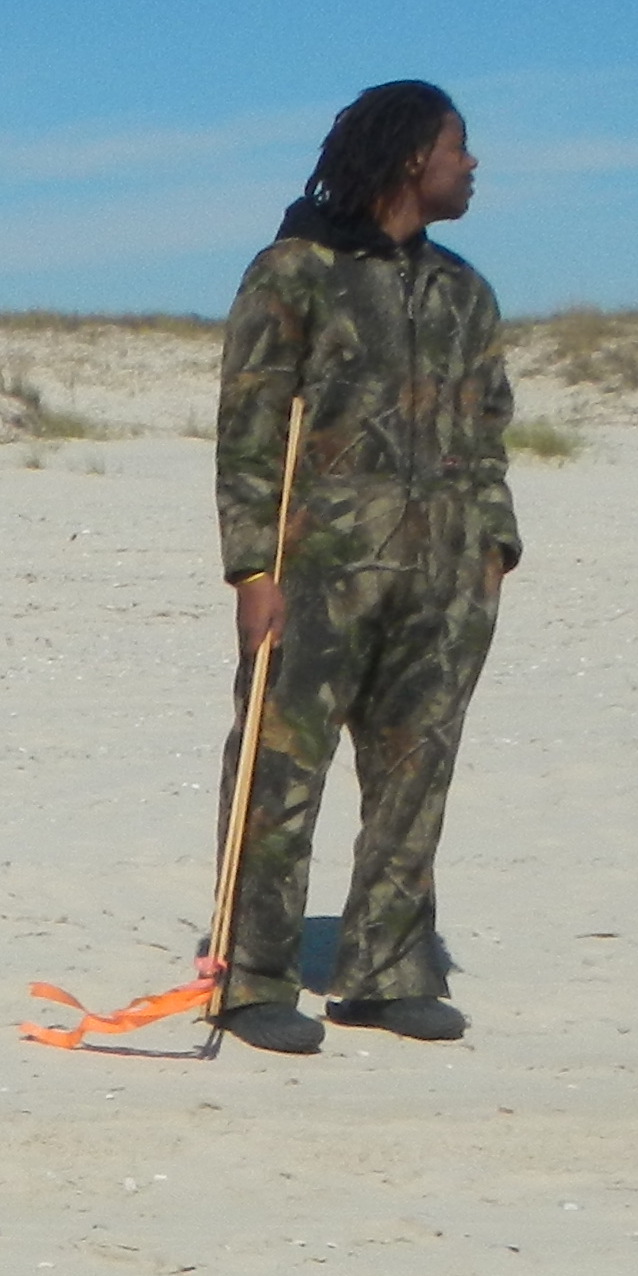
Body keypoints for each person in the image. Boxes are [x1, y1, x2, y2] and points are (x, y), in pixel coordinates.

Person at [210, 81, 520, 1052]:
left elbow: (493, 425)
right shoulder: (293, 275)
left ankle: (387, 971)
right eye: (457, 147)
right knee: (278, 770)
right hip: (318, 577)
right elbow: (251, 429)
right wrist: (251, 572)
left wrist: (495, 548)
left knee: (416, 774)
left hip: (442, 577)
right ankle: (254, 975)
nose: (472, 165)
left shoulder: (465, 291)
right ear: (406, 160)